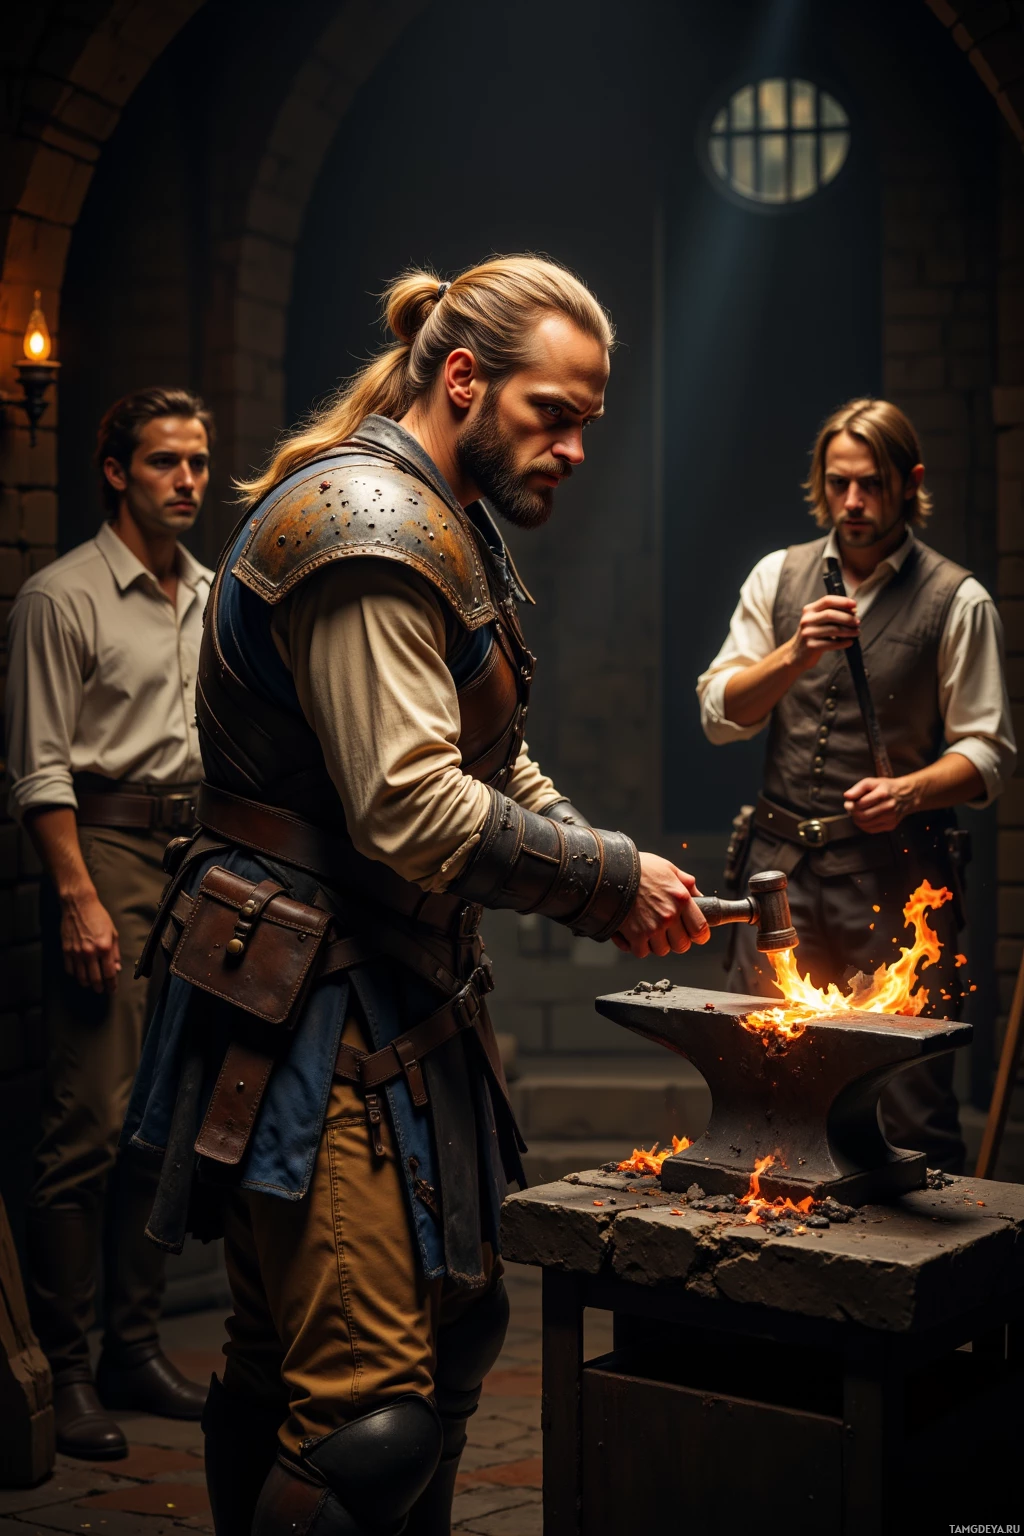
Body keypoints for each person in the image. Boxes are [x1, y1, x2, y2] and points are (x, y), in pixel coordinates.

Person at [122, 255, 710, 1535]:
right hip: (311, 1014)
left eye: (585, 423)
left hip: (387, 989)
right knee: (362, 1424)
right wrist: (607, 881)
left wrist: (588, 840)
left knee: (431, 1349)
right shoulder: (368, 534)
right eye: (550, 414)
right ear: (463, 378)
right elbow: (408, 810)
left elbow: (482, 755)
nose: (572, 447)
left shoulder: (442, 517)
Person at [698, 397, 1016, 1172]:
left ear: (909, 484)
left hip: (891, 881)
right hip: (776, 882)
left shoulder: (957, 598)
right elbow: (718, 712)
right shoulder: (778, 577)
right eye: (838, 483)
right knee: (760, 1080)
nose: (852, 503)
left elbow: (990, 754)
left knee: (905, 1096)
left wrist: (908, 791)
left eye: (871, 484)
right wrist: (794, 654)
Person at [5, 387, 215, 1459]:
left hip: (197, 866)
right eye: (164, 461)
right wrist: (79, 895)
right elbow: (39, 765)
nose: (185, 480)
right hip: (107, 857)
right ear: (115, 470)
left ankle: (137, 1349)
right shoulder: (64, 597)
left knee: (166, 1116)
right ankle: (69, 1365)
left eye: (197, 463)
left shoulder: (213, 596)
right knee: (88, 1120)